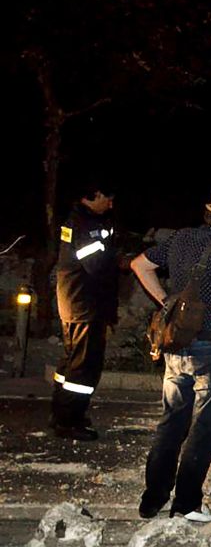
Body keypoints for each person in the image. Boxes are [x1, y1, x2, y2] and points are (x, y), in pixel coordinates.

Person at [130, 188, 211, 522]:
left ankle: (152, 499)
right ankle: (186, 504)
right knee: (204, 429)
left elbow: (139, 265)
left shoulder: (180, 238)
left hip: (178, 342)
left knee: (171, 423)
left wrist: (166, 301)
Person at [51, 179, 119, 441]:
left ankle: (62, 412)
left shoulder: (85, 220)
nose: (111, 203)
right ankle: (69, 421)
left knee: (71, 361)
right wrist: (119, 263)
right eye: (108, 197)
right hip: (84, 304)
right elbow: (97, 266)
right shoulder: (84, 223)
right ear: (96, 193)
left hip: (79, 301)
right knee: (83, 367)